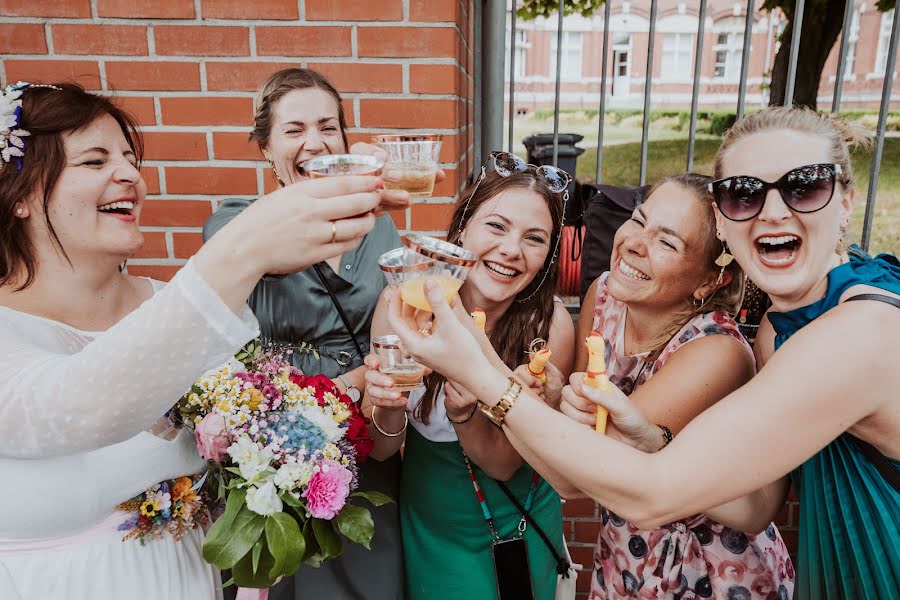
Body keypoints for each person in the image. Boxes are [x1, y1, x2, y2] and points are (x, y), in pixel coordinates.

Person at [381, 107, 899, 600]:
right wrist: (642, 435)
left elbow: (625, 489)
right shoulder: (776, 329)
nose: (773, 211)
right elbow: (758, 505)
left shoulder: (858, 332)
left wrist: (476, 365)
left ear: (846, 200)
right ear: (726, 219)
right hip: (821, 570)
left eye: (804, 186)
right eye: (744, 195)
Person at [0, 82, 397, 600]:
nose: (128, 176)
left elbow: (251, 426)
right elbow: (83, 402)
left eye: (128, 157)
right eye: (95, 162)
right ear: (23, 194)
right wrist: (247, 248)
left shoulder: (167, 304)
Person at [203, 68, 418, 600]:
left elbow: (393, 329)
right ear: (265, 148)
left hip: (361, 430)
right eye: (293, 130)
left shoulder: (381, 226)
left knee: (367, 577)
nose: (315, 142)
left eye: (329, 127)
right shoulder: (234, 225)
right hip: (273, 437)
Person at [560, 173, 792, 598]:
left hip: (708, 567)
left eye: (667, 242)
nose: (633, 242)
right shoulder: (605, 295)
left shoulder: (717, 352)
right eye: (637, 219)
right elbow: (576, 422)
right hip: (626, 549)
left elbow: (580, 472)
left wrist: (485, 375)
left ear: (709, 281)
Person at [364, 154, 575, 600]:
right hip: (433, 521)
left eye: (534, 239)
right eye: (496, 227)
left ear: (547, 255)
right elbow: (382, 449)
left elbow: (502, 462)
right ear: (462, 228)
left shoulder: (550, 327)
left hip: (516, 520)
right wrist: (384, 403)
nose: (511, 250)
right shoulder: (402, 303)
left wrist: (466, 414)